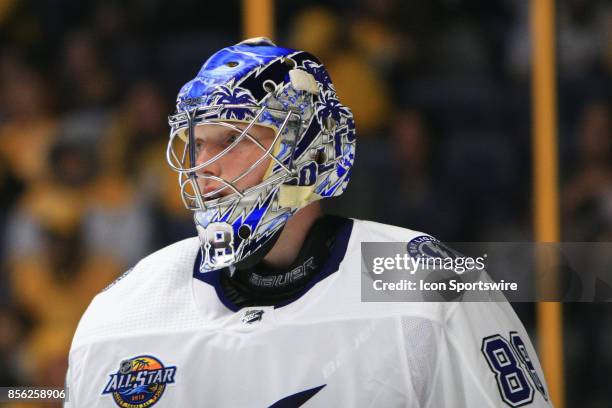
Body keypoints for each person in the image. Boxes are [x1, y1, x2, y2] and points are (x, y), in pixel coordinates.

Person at [65, 38, 551, 407]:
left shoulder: (422, 280)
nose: (203, 164)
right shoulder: (123, 312)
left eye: (233, 139)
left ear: (307, 153)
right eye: (197, 142)